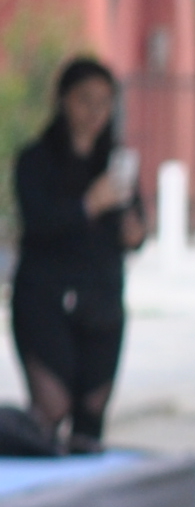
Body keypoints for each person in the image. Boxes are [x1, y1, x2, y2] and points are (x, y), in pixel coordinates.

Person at [13, 57, 145, 452]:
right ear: (64, 101)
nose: (94, 112)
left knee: (91, 414)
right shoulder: (36, 160)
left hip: (101, 297)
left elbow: (135, 230)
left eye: (105, 103)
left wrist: (133, 230)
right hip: (46, 295)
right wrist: (89, 204)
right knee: (50, 408)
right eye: (85, 100)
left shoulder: (115, 163)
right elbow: (39, 221)